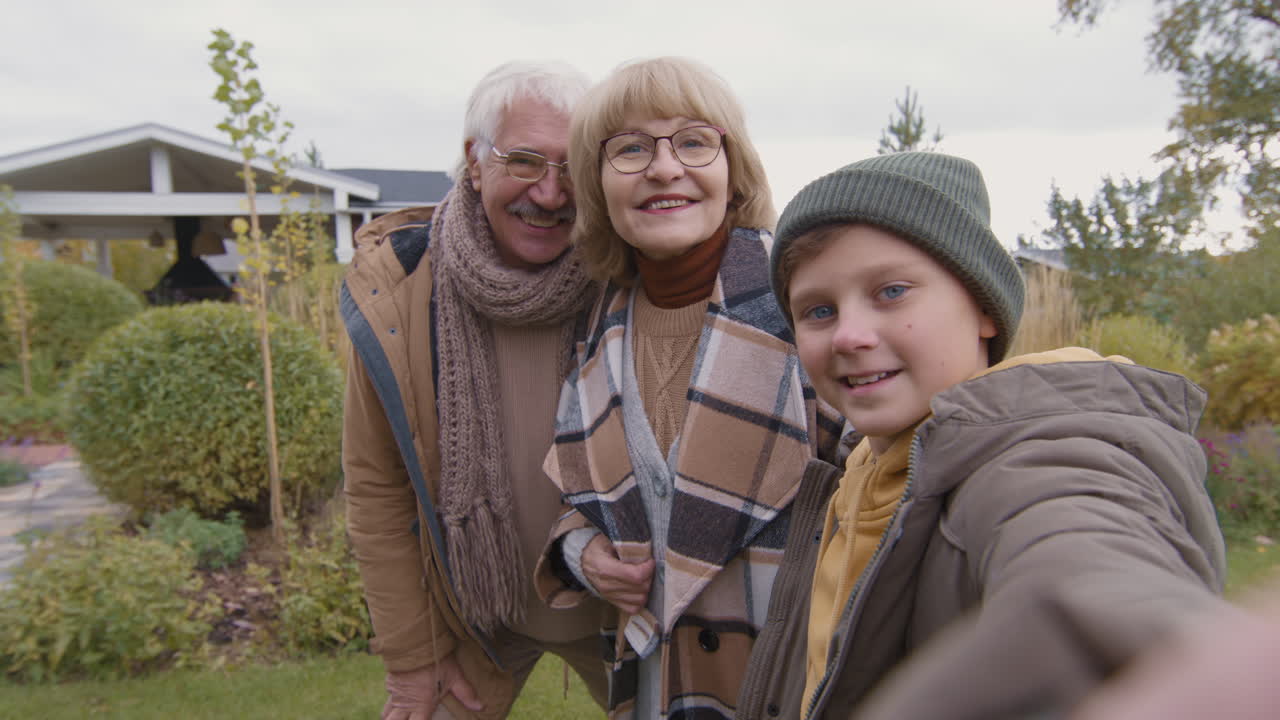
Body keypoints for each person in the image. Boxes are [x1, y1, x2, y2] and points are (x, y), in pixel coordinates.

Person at [735, 151, 1229, 720]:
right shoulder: (864, 471)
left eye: (891, 292)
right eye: (818, 310)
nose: (848, 335)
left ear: (984, 309)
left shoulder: (1041, 463)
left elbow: (1091, 579)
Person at [531, 57, 843, 720]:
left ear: (735, 173)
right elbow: (583, 492)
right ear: (597, 184)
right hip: (658, 688)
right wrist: (583, 553)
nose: (665, 169)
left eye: (695, 141)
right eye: (631, 149)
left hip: (788, 682)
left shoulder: (804, 307)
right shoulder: (598, 326)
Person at [341, 60, 609, 720]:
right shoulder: (400, 293)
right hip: (473, 622)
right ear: (475, 159)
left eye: (572, 165)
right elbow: (377, 485)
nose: (549, 194)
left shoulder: (630, 271)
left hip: (625, 616)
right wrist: (411, 654)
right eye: (524, 161)